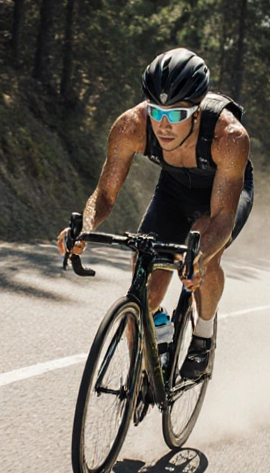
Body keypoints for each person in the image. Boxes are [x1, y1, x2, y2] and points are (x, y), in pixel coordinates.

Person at [58, 47, 254, 379]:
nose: (163, 125)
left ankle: (204, 336)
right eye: (156, 111)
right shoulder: (131, 126)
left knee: (204, 252)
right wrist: (84, 228)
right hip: (173, 192)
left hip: (221, 196)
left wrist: (199, 257)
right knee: (144, 287)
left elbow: (222, 219)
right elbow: (104, 195)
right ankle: (146, 369)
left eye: (176, 115)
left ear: (197, 111)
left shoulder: (228, 137)